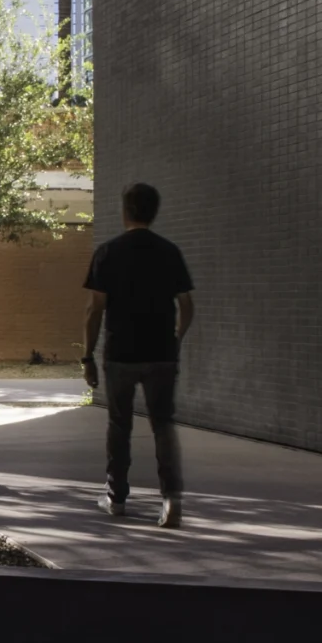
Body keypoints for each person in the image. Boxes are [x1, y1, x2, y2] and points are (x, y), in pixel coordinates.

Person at [83, 182, 195, 527]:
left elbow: (95, 310)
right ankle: (171, 500)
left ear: (125, 211)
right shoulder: (169, 251)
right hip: (161, 351)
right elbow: (187, 306)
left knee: (119, 424)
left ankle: (117, 498)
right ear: (154, 211)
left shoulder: (108, 252)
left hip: (121, 353)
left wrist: (87, 356)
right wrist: (176, 339)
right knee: (163, 424)